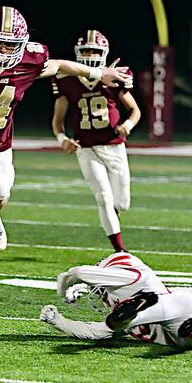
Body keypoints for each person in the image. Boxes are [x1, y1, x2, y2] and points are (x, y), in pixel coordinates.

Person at [0, 6, 132, 281]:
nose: (4, 51)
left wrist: (99, 76)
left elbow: (61, 65)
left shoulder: (29, 60)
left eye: (11, 45)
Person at [52, 30, 141, 252]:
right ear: (77, 53)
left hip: (113, 144)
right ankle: (120, 251)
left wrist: (126, 126)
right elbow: (58, 119)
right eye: (86, 50)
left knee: (121, 203)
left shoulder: (114, 77)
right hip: (86, 147)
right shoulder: (67, 80)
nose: (91, 54)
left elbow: (135, 111)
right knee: (103, 197)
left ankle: (114, 218)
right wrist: (62, 138)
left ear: (104, 53)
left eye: (95, 50)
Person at [40, 251, 192, 351]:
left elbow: (79, 273)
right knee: (190, 337)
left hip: (175, 309)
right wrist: (58, 321)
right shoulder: (126, 288)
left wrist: (65, 293)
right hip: (181, 317)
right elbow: (96, 333)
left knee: (118, 322)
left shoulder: (133, 277)